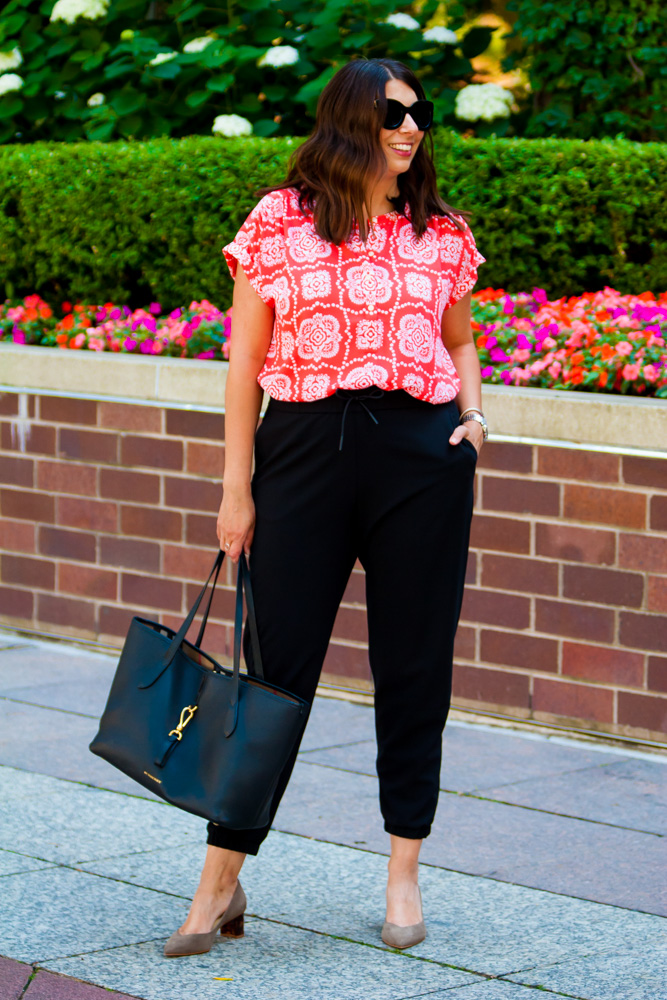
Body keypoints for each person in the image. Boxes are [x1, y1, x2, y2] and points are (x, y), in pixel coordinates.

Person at [163, 56, 487, 958]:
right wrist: (236, 487)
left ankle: (402, 875)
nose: (411, 128)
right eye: (392, 115)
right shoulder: (278, 222)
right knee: (271, 674)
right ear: (350, 120)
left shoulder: (442, 234)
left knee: (414, 664)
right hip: (301, 450)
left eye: (418, 114)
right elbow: (241, 364)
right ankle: (220, 881)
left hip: (420, 456)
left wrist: (470, 416)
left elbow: (459, 342)